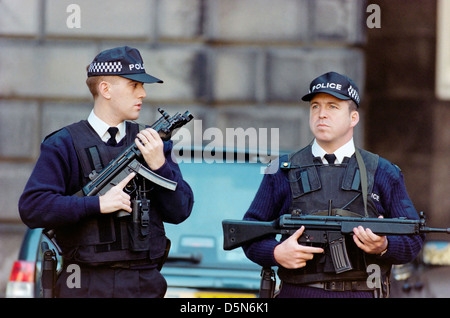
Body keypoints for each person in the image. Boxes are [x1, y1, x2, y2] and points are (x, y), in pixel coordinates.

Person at [18, 46, 194, 298]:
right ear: (105, 89)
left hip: (143, 283)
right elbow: (32, 208)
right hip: (85, 283)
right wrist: (96, 204)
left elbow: (181, 211)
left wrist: (159, 165)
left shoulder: (152, 143)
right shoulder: (64, 144)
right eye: (134, 85)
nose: (143, 94)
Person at [242, 71, 424, 298]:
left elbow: (414, 239)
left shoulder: (383, 172)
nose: (321, 114)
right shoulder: (280, 169)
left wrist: (384, 245)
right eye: (315, 106)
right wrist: (276, 252)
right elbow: (249, 231)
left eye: (332, 107)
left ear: (353, 118)